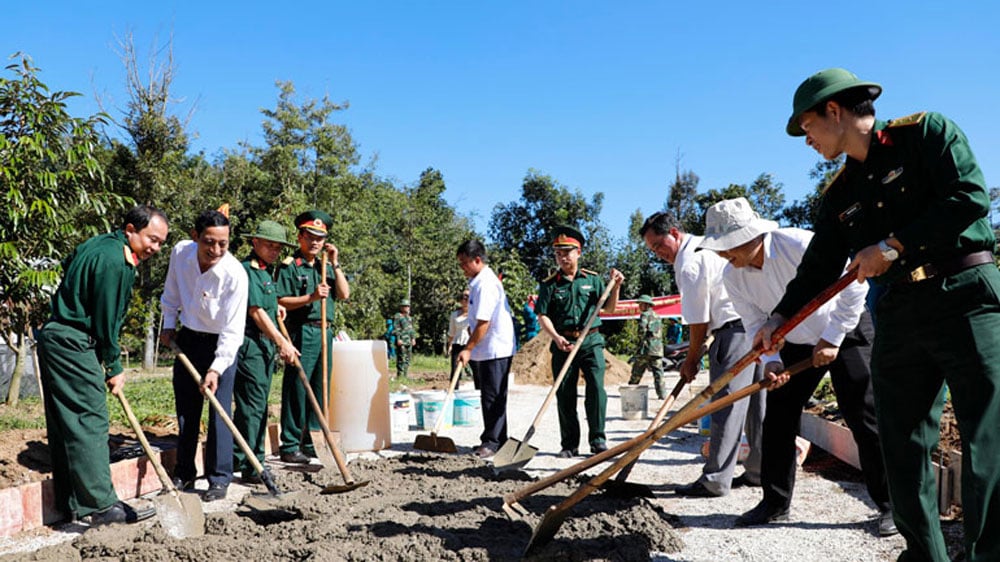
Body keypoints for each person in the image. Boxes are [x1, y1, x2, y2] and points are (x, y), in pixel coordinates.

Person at [754, 68, 1000, 561]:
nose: (807, 141)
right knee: (900, 444)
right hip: (900, 312)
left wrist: (893, 244)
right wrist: (777, 320)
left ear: (834, 111)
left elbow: (969, 196)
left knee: (986, 439)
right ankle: (924, 553)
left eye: (807, 128)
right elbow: (818, 267)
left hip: (965, 295)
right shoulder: (840, 194)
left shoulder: (927, 133)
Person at [698, 197, 894, 535]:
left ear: (747, 237)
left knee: (863, 413)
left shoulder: (797, 244)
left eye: (726, 247)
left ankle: (892, 506)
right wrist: (772, 361)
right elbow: (755, 324)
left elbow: (852, 286)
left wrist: (832, 339)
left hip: (845, 328)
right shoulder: (733, 276)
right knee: (778, 414)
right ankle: (774, 502)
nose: (721, 255)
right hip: (796, 341)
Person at [37, 205, 168, 525]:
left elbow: (68, 269)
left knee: (65, 423)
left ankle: (72, 502)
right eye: (151, 239)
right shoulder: (118, 263)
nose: (155, 248)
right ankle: (99, 507)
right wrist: (113, 365)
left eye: (161, 243)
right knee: (89, 419)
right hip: (74, 341)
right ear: (130, 230)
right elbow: (107, 321)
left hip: (54, 335)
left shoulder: (96, 244)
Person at [640, 211, 765, 497]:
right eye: (652, 250)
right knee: (758, 403)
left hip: (734, 333)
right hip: (756, 327)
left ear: (674, 233)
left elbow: (698, 320)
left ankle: (715, 479)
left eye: (659, 245)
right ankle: (759, 471)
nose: (658, 253)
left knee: (726, 406)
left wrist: (691, 358)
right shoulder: (710, 245)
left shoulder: (689, 261)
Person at [160, 209, 248, 502]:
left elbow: (234, 331)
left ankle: (219, 478)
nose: (216, 250)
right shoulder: (180, 253)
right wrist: (168, 325)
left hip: (220, 344)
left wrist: (216, 368)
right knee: (186, 410)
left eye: (223, 243)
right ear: (195, 236)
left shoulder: (235, 274)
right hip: (187, 339)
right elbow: (171, 291)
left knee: (219, 410)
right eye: (209, 242)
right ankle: (184, 472)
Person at [535, 225, 624, 457]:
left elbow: (610, 308)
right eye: (558, 253)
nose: (563, 257)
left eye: (568, 252)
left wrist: (616, 287)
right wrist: (556, 338)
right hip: (563, 343)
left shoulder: (592, 281)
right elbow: (542, 315)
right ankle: (569, 444)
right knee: (564, 394)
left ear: (578, 252)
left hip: (591, 342)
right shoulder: (549, 284)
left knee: (596, 390)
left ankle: (597, 440)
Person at [275, 210, 349, 464]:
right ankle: (291, 444)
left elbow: (344, 294)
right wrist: (311, 298)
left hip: (326, 331)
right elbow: (280, 300)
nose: (315, 242)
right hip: (302, 330)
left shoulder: (324, 265)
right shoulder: (290, 266)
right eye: (310, 237)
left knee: (320, 387)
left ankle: (312, 440)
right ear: (300, 237)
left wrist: (335, 263)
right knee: (297, 387)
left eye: (320, 238)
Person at [232, 220, 300, 483]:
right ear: (255, 243)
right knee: (253, 407)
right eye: (269, 245)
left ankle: (247, 457)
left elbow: (266, 307)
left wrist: (277, 309)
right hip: (251, 345)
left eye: (278, 247)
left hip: (264, 346)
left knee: (256, 406)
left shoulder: (265, 272)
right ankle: (252, 465)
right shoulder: (248, 270)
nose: (274, 251)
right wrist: (283, 342)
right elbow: (255, 312)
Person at [455, 240, 517, 459]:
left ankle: (492, 442)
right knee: (490, 396)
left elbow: (484, 323)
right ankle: (498, 439)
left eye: (464, 263)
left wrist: (468, 348)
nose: (462, 268)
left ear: (477, 260)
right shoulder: (476, 282)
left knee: (493, 396)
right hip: (487, 348)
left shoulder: (486, 284)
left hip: (495, 347)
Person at [628, 295, 667, 399]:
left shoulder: (644, 315)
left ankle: (631, 391)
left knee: (637, 371)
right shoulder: (657, 316)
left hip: (646, 350)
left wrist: (638, 348)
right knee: (658, 373)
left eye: (640, 304)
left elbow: (642, 331)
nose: (639, 306)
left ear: (646, 304)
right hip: (657, 350)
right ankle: (662, 394)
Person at [447, 290, 473, 383]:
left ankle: (479, 392)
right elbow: (451, 332)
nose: (465, 300)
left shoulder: (475, 313)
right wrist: (449, 345)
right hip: (457, 344)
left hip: (471, 344)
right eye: (463, 298)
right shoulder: (454, 314)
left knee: (477, 369)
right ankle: (454, 391)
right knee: (455, 370)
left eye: (467, 298)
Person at [392, 300, 416, 378]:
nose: (407, 308)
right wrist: (398, 338)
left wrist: (413, 338)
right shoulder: (398, 316)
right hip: (402, 341)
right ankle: (400, 375)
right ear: (401, 307)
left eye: (408, 306)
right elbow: (396, 328)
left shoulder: (409, 318)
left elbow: (411, 329)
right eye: (406, 306)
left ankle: (405, 375)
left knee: (407, 359)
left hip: (408, 341)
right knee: (401, 358)